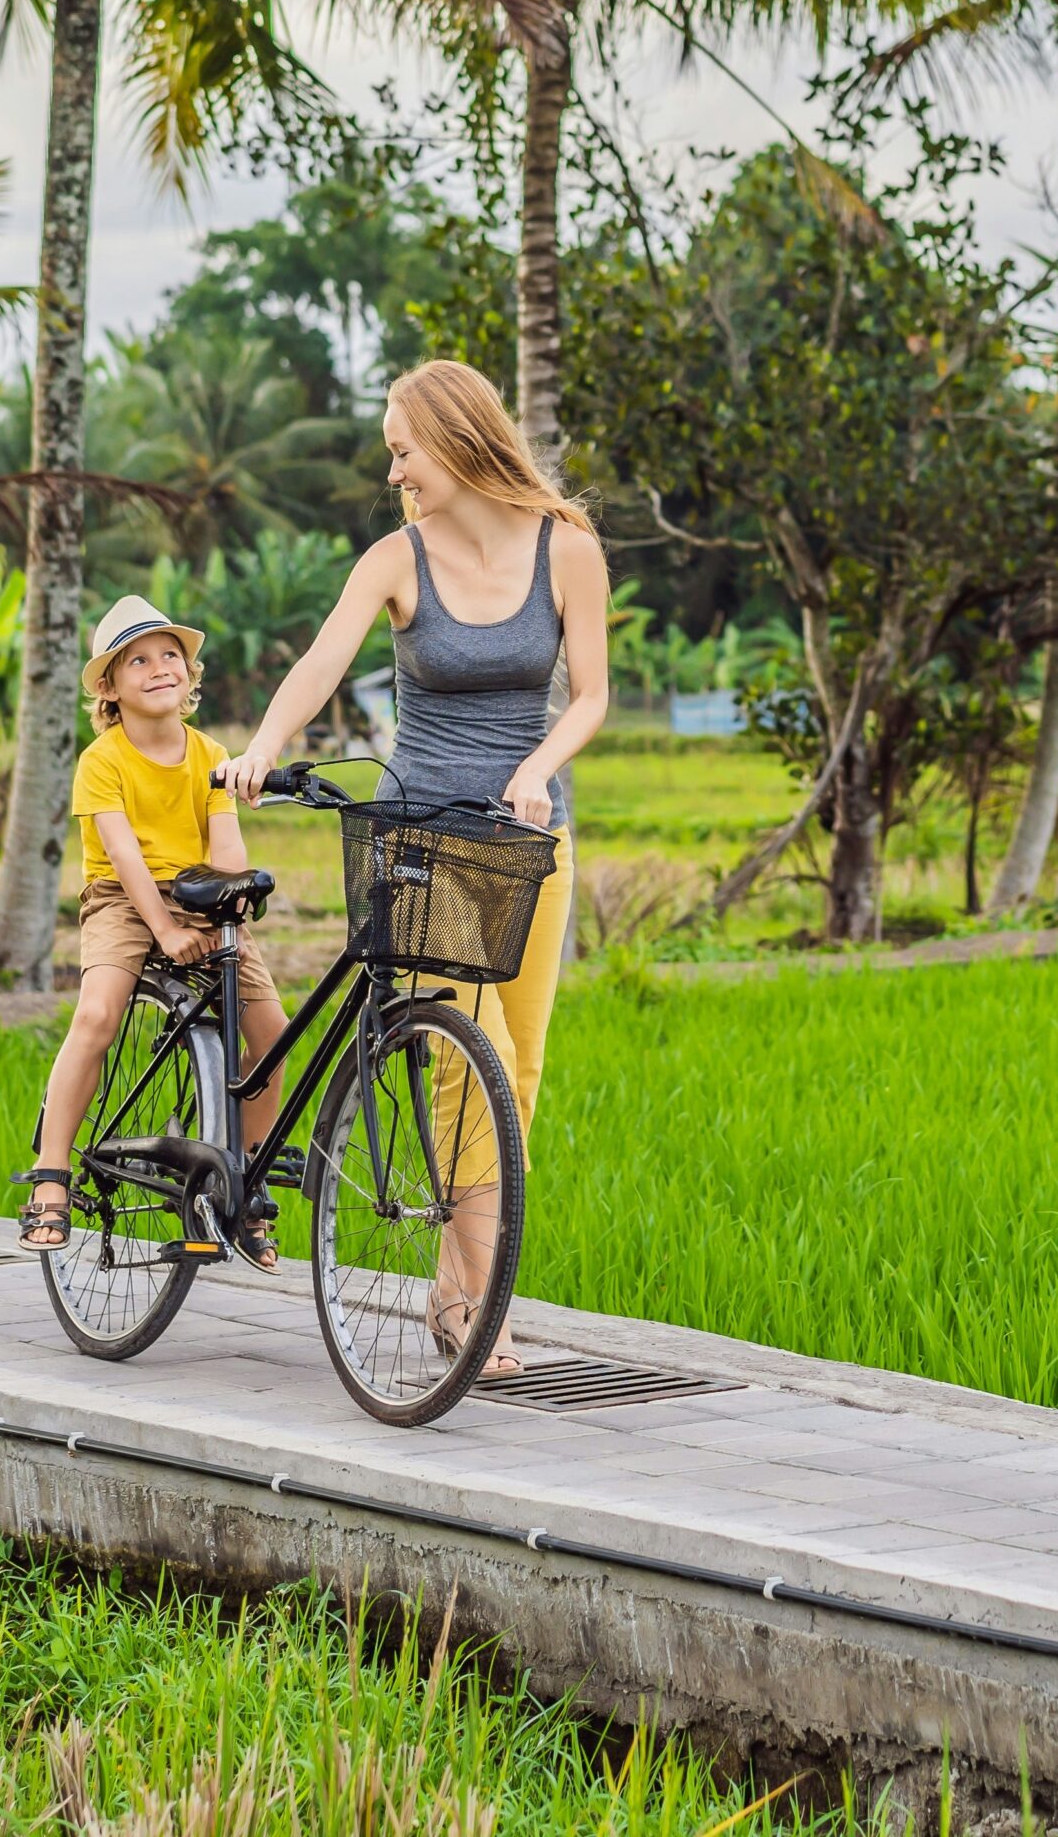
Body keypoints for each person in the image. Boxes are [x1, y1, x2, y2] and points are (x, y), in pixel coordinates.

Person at [226, 359, 609, 1375]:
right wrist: (263, 746)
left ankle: (454, 1288)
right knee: (465, 1055)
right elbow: (320, 660)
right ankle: (481, 1310)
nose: (393, 472)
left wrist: (536, 769)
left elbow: (590, 696)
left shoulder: (565, 548)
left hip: (526, 840)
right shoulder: (396, 559)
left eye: (403, 450)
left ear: (455, 438)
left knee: (517, 1071)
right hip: (423, 838)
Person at [17, 596, 287, 1268]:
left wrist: (230, 900)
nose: (159, 667)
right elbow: (124, 857)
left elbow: (224, 844)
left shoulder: (211, 754)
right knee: (97, 1015)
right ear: (109, 687)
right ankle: (51, 1175)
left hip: (200, 893)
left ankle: (242, 1176)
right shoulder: (101, 761)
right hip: (123, 898)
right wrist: (163, 929)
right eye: (137, 661)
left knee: (272, 1035)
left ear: (189, 674)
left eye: (170, 655)